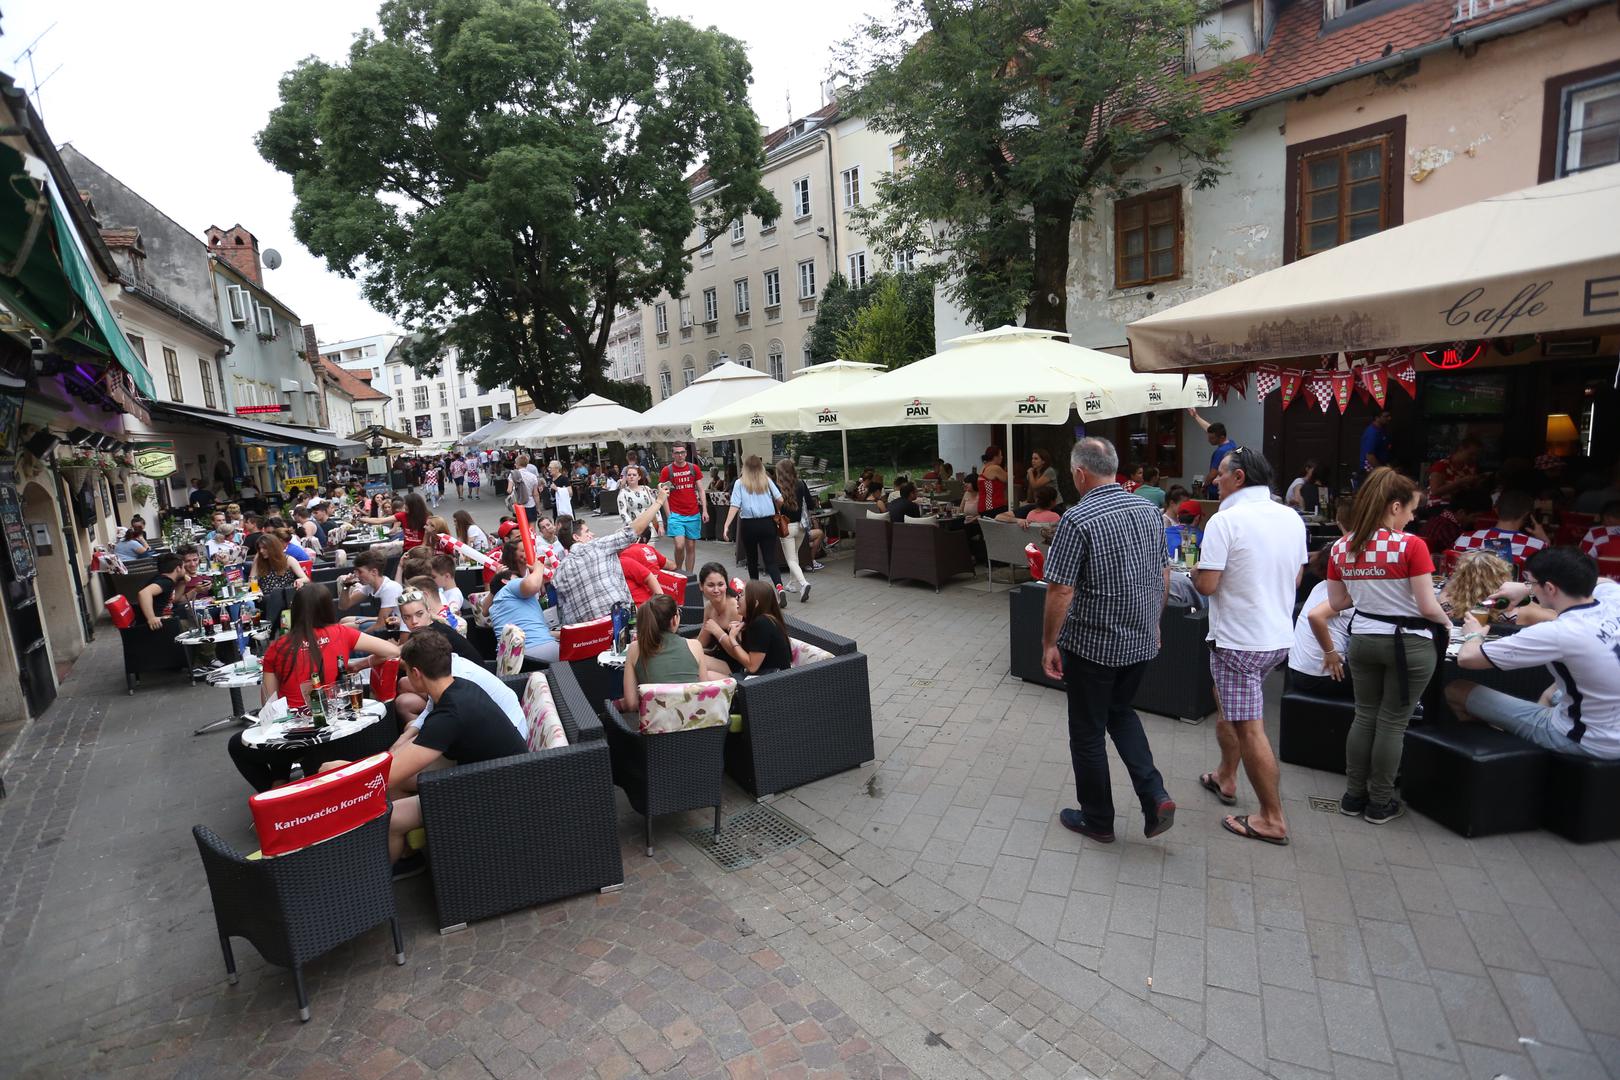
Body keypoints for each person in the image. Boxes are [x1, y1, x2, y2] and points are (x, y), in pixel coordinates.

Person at [1040, 437, 1176, 843]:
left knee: (1087, 732)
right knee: (1120, 712)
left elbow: (1060, 590)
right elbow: (1164, 573)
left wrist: (1049, 644)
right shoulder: (1149, 511)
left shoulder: (1077, 518)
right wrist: (1155, 624)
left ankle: (1098, 819)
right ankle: (1155, 795)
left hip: (1094, 646)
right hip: (1140, 638)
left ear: (1080, 473)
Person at [335, 632, 529, 871]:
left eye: (406, 672)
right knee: (400, 782)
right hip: (498, 774)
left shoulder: (450, 714)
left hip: (498, 792)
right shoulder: (459, 686)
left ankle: (381, 879)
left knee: (391, 820)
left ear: (416, 673)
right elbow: (408, 758)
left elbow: (388, 775)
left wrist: (343, 769)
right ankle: (414, 848)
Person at [1319, 468, 1448, 824]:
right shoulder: (1412, 545)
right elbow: (1427, 607)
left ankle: (1353, 796)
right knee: (1392, 723)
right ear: (1394, 507)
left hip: (1362, 638)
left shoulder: (1341, 546)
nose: (1412, 518)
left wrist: (1369, 589)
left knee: (1364, 715)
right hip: (1410, 643)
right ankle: (1379, 802)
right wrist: (1449, 621)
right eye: (1411, 510)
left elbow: (1338, 601)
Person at [1194, 446, 1306, 845]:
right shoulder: (1290, 517)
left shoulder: (1225, 520)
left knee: (1250, 728)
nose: (1215, 480)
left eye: (1220, 473)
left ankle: (1272, 818)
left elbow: (1207, 585)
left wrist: (1196, 571)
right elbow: (1296, 578)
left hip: (1240, 641)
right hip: (1276, 637)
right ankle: (1226, 775)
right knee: (1226, 702)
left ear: (1239, 477)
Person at [1450, 547, 1620, 760]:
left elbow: (1468, 659)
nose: (1530, 587)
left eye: (1531, 582)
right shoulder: (1614, 599)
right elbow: (1605, 582)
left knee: (1457, 689)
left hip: (1592, 741)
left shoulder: (1558, 631)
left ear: (1549, 588)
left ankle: (1505, 759)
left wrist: (1473, 635)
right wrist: (1527, 589)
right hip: (1607, 718)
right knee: (1550, 693)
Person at [552, 487, 669, 623]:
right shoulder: (598, 545)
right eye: (587, 532)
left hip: (583, 631)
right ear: (576, 537)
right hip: (618, 623)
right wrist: (659, 501)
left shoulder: (558, 573)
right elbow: (633, 531)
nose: (592, 534)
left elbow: (562, 612)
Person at [619, 595, 727, 710]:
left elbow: (631, 704)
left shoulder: (635, 648)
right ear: (674, 620)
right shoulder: (695, 646)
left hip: (655, 720)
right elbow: (703, 691)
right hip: (694, 718)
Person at [1292, 553, 1355, 699]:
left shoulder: (1320, 586)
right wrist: (1330, 652)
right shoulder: (1346, 592)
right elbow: (1315, 616)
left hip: (1297, 671)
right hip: (1321, 676)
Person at [722, 455, 785, 599]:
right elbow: (780, 499)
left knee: (752, 559)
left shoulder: (739, 483)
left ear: (745, 468)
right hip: (768, 523)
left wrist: (726, 524)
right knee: (770, 559)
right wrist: (777, 509)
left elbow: (735, 505)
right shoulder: (766, 480)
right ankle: (780, 588)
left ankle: (756, 593)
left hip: (749, 525)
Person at [711, 580, 793, 675]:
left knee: (710, 674)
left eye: (741, 595)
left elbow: (752, 666)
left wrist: (732, 638)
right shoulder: (764, 620)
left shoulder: (762, 623)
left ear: (755, 604)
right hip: (769, 677)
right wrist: (740, 632)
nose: (737, 598)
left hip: (772, 680)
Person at [1452, 489, 1547, 569]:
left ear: (1496, 510)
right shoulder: (1537, 547)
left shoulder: (1464, 539)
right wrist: (1545, 541)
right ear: (1527, 515)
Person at [487, 561, 561, 662]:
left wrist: (561, 634)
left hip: (513, 661)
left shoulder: (495, 607)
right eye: (519, 579)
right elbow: (531, 585)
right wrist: (539, 568)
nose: (522, 580)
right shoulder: (510, 586)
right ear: (505, 581)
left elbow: (529, 632)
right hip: (540, 652)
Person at [660, 444, 707, 575]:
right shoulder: (667, 470)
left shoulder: (693, 468)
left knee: (691, 546)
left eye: (682, 452)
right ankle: (679, 572)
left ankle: (689, 576)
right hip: (676, 514)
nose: (680, 455)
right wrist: (669, 515)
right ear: (673, 454)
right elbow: (663, 494)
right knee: (679, 545)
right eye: (677, 453)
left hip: (693, 513)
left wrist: (705, 510)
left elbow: (701, 490)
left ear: (686, 453)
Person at [775, 457, 815, 603]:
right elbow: (810, 504)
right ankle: (792, 584)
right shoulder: (801, 483)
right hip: (801, 526)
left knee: (791, 559)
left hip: (786, 526)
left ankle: (804, 584)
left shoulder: (777, 486)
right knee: (795, 555)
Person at [696, 562, 745, 675]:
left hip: (739, 667)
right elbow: (702, 641)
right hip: (719, 658)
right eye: (711, 585)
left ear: (726, 585)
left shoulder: (736, 609)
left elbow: (743, 655)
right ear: (701, 586)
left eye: (720, 584)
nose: (716, 590)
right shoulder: (709, 607)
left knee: (696, 663)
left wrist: (718, 632)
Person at [1438, 550, 1514, 621]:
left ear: (1460, 576)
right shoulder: (1512, 611)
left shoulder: (1445, 602)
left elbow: (1447, 590)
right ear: (1502, 576)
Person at [339, 548, 403, 630]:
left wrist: (359, 636)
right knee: (344, 620)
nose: (357, 575)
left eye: (360, 572)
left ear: (374, 572)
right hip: (384, 621)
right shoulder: (369, 587)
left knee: (343, 628)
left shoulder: (390, 588)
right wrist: (346, 586)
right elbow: (344, 606)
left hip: (394, 628)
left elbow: (381, 625)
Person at [1421, 488, 1490, 561]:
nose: (1476, 520)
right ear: (1461, 512)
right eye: (1475, 516)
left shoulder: (1436, 520)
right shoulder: (1449, 529)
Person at [1187, 410, 1237, 499]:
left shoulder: (1220, 452)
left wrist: (1204, 486)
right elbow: (1209, 428)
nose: (1209, 440)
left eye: (1212, 438)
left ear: (1221, 437)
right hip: (1227, 488)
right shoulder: (1231, 444)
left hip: (1216, 491)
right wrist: (1196, 416)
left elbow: (1212, 475)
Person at [359, 491, 430, 552]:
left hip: (420, 551)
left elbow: (430, 538)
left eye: (406, 504)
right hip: (406, 550)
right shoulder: (402, 515)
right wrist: (360, 519)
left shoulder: (426, 518)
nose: (404, 506)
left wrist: (422, 549)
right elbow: (379, 520)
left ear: (413, 506)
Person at [1427, 438, 1482, 507]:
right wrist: (1460, 482)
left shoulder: (1470, 467)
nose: (1474, 458)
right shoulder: (1442, 465)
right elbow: (1435, 492)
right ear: (1461, 449)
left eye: (1476, 455)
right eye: (1471, 454)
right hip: (1440, 505)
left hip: (1461, 506)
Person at [137, 553, 186, 630]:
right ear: (178, 568)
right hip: (157, 625)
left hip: (164, 618)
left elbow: (174, 600)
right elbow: (144, 593)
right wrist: (151, 618)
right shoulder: (166, 582)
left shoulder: (161, 578)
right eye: (184, 567)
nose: (185, 570)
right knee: (192, 622)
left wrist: (183, 583)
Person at [619, 538, 669, 606]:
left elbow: (649, 577)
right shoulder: (649, 548)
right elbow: (672, 566)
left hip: (645, 603)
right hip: (655, 595)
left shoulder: (625, 557)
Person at [617, 464, 659, 541]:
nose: (631, 477)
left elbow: (656, 507)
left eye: (634, 475)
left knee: (649, 548)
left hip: (649, 528)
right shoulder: (623, 493)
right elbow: (622, 513)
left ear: (639, 477)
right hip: (632, 530)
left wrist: (660, 524)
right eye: (629, 475)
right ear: (626, 477)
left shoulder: (647, 489)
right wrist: (632, 526)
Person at [1359, 410, 1394, 479]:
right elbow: (1370, 456)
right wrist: (1382, 471)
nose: (1389, 418)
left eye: (1389, 416)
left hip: (1381, 467)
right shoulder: (1372, 433)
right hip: (1371, 469)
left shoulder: (1381, 430)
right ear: (1377, 418)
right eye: (1386, 416)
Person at [977, 448, 1009, 517]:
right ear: (995, 457)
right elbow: (1009, 479)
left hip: (983, 507)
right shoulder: (995, 468)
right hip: (994, 507)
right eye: (1000, 455)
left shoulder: (983, 468)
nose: (1002, 457)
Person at [508, 452, 541, 518]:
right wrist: (538, 508)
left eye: (515, 463)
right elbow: (536, 494)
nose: (514, 464)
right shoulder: (533, 476)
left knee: (520, 524)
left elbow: (509, 490)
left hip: (518, 505)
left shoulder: (512, 475)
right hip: (530, 504)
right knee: (532, 524)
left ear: (517, 464)